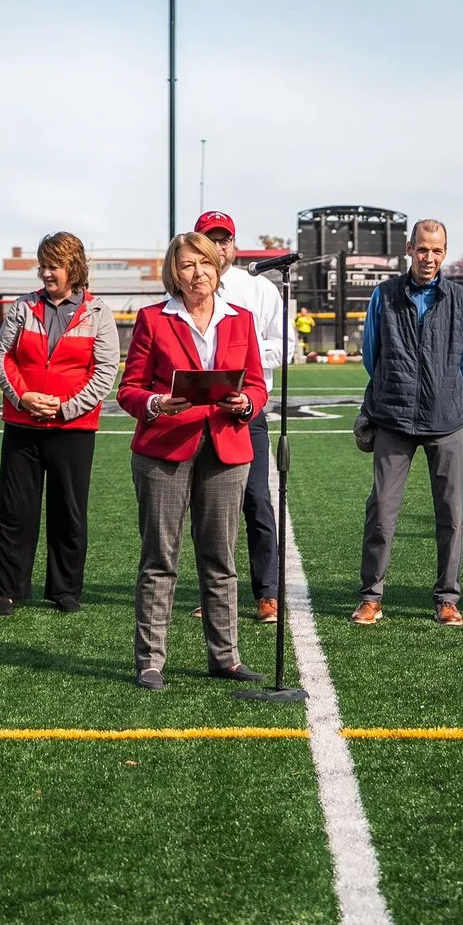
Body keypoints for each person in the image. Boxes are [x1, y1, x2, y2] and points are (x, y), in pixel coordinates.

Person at [120, 230, 267, 690]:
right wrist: (155, 404)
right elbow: (129, 389)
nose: (198, 272)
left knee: (221, 559)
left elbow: (258, 385)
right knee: (159, 560)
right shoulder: (152, 319)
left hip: (225, 449)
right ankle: (150, 662)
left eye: (204, 262)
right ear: (174, 273)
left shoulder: (240, 319)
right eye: (187, 265)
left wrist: (246, 405)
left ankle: (225, 658)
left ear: (217, 266)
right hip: (164, 451)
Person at [0, 230, 118, 615]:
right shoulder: (22, 307)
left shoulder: (98, 313)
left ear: (74, 267)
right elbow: (2, 354)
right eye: (43, 265)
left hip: (73, 429)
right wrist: (23, 397)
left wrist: (65, 408)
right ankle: (9, 590)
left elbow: (105, 371)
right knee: (14, 511)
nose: (46, 273)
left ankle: (65, 591)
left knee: (69, 511)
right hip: (22, 425)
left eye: (54, 266)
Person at [352, 218, 463, 626]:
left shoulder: (460, 298)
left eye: (437, 250)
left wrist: (443, 392)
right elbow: (372, 354)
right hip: (393, 417)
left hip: (446, 419)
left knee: (451, 514)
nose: (429, 257)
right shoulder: (383, 295)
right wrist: (394, 389)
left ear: (445, 252)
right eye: (422, 249)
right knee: (382, 511)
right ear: (409, 248)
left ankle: (447, 598)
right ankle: (371, 596)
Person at [196, 211, 286, 625]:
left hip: (247, 410)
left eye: (224, 239)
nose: (219, 247)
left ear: (234, 243)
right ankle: (214, 592)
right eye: (210, 239)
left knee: (256, 501)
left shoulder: (261, 289)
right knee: (209, 507)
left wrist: (241, 357)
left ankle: (267, 593)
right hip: (198, 412)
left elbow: (283, 347)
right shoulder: (186, 290)